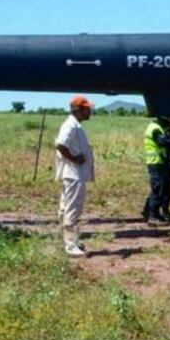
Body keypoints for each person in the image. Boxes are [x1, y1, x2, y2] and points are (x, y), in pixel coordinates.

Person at [54, 95, 95, 256]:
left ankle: (67, 241)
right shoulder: (70, 125)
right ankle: (70, 245)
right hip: (73, 174)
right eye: (87, 108)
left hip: (74, 174)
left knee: (66, 207)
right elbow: (60, 145)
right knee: (73, 208)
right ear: (79, 110)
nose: (90, 111)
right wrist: (74, 159)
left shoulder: (75, 125)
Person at [141, 115, 170, 225]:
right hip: (156, 162)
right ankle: (153, 216)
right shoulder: (155, 128)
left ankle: (149, 212)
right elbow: (162, 142)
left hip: (163, 161)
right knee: (157, 189)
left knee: (163, 188)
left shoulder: (161, 127)